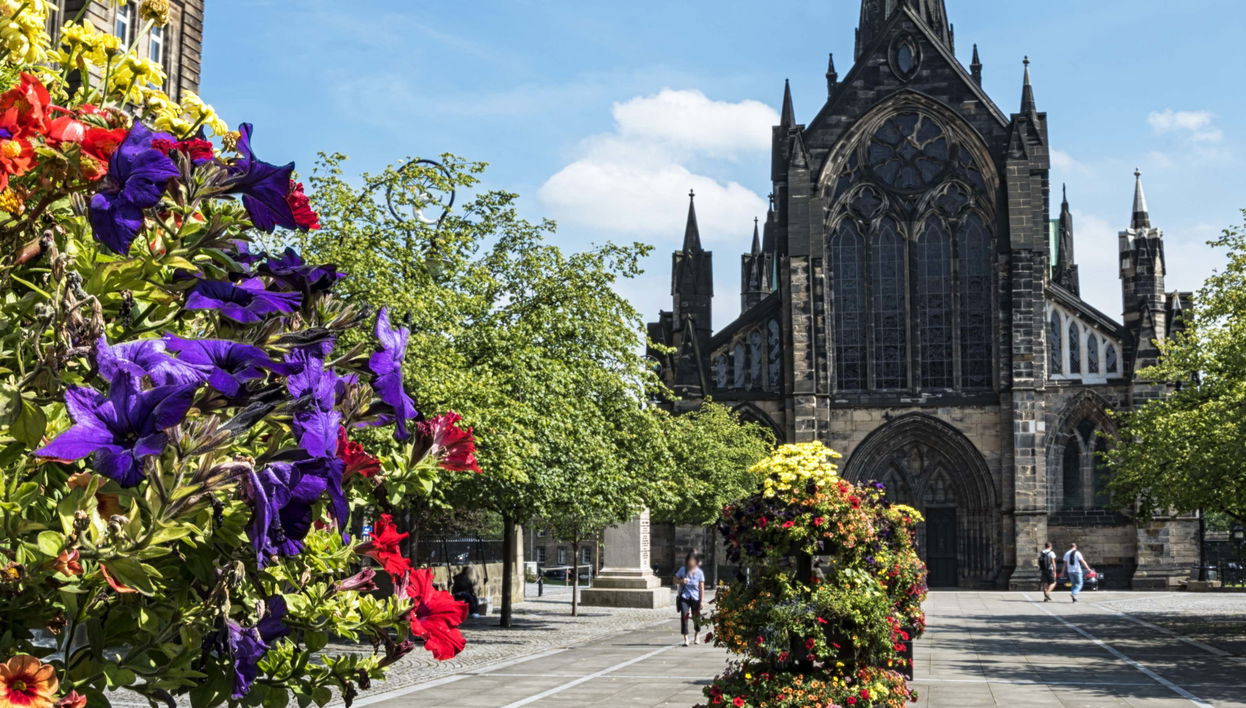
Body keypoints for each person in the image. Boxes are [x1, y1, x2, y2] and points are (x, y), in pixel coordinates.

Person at [674, 550, 706, 646]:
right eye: (689, 560)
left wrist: (702, 601)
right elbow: (674, 579)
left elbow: (701, 587)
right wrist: (681, 581)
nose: (691, 562)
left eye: (693, 560)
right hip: (685, 597)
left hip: (695, 598)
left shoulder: (699, 573)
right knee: (684, 615)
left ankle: (697, 635)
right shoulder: (682, 570)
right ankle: (686, 638)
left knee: (696, 618)